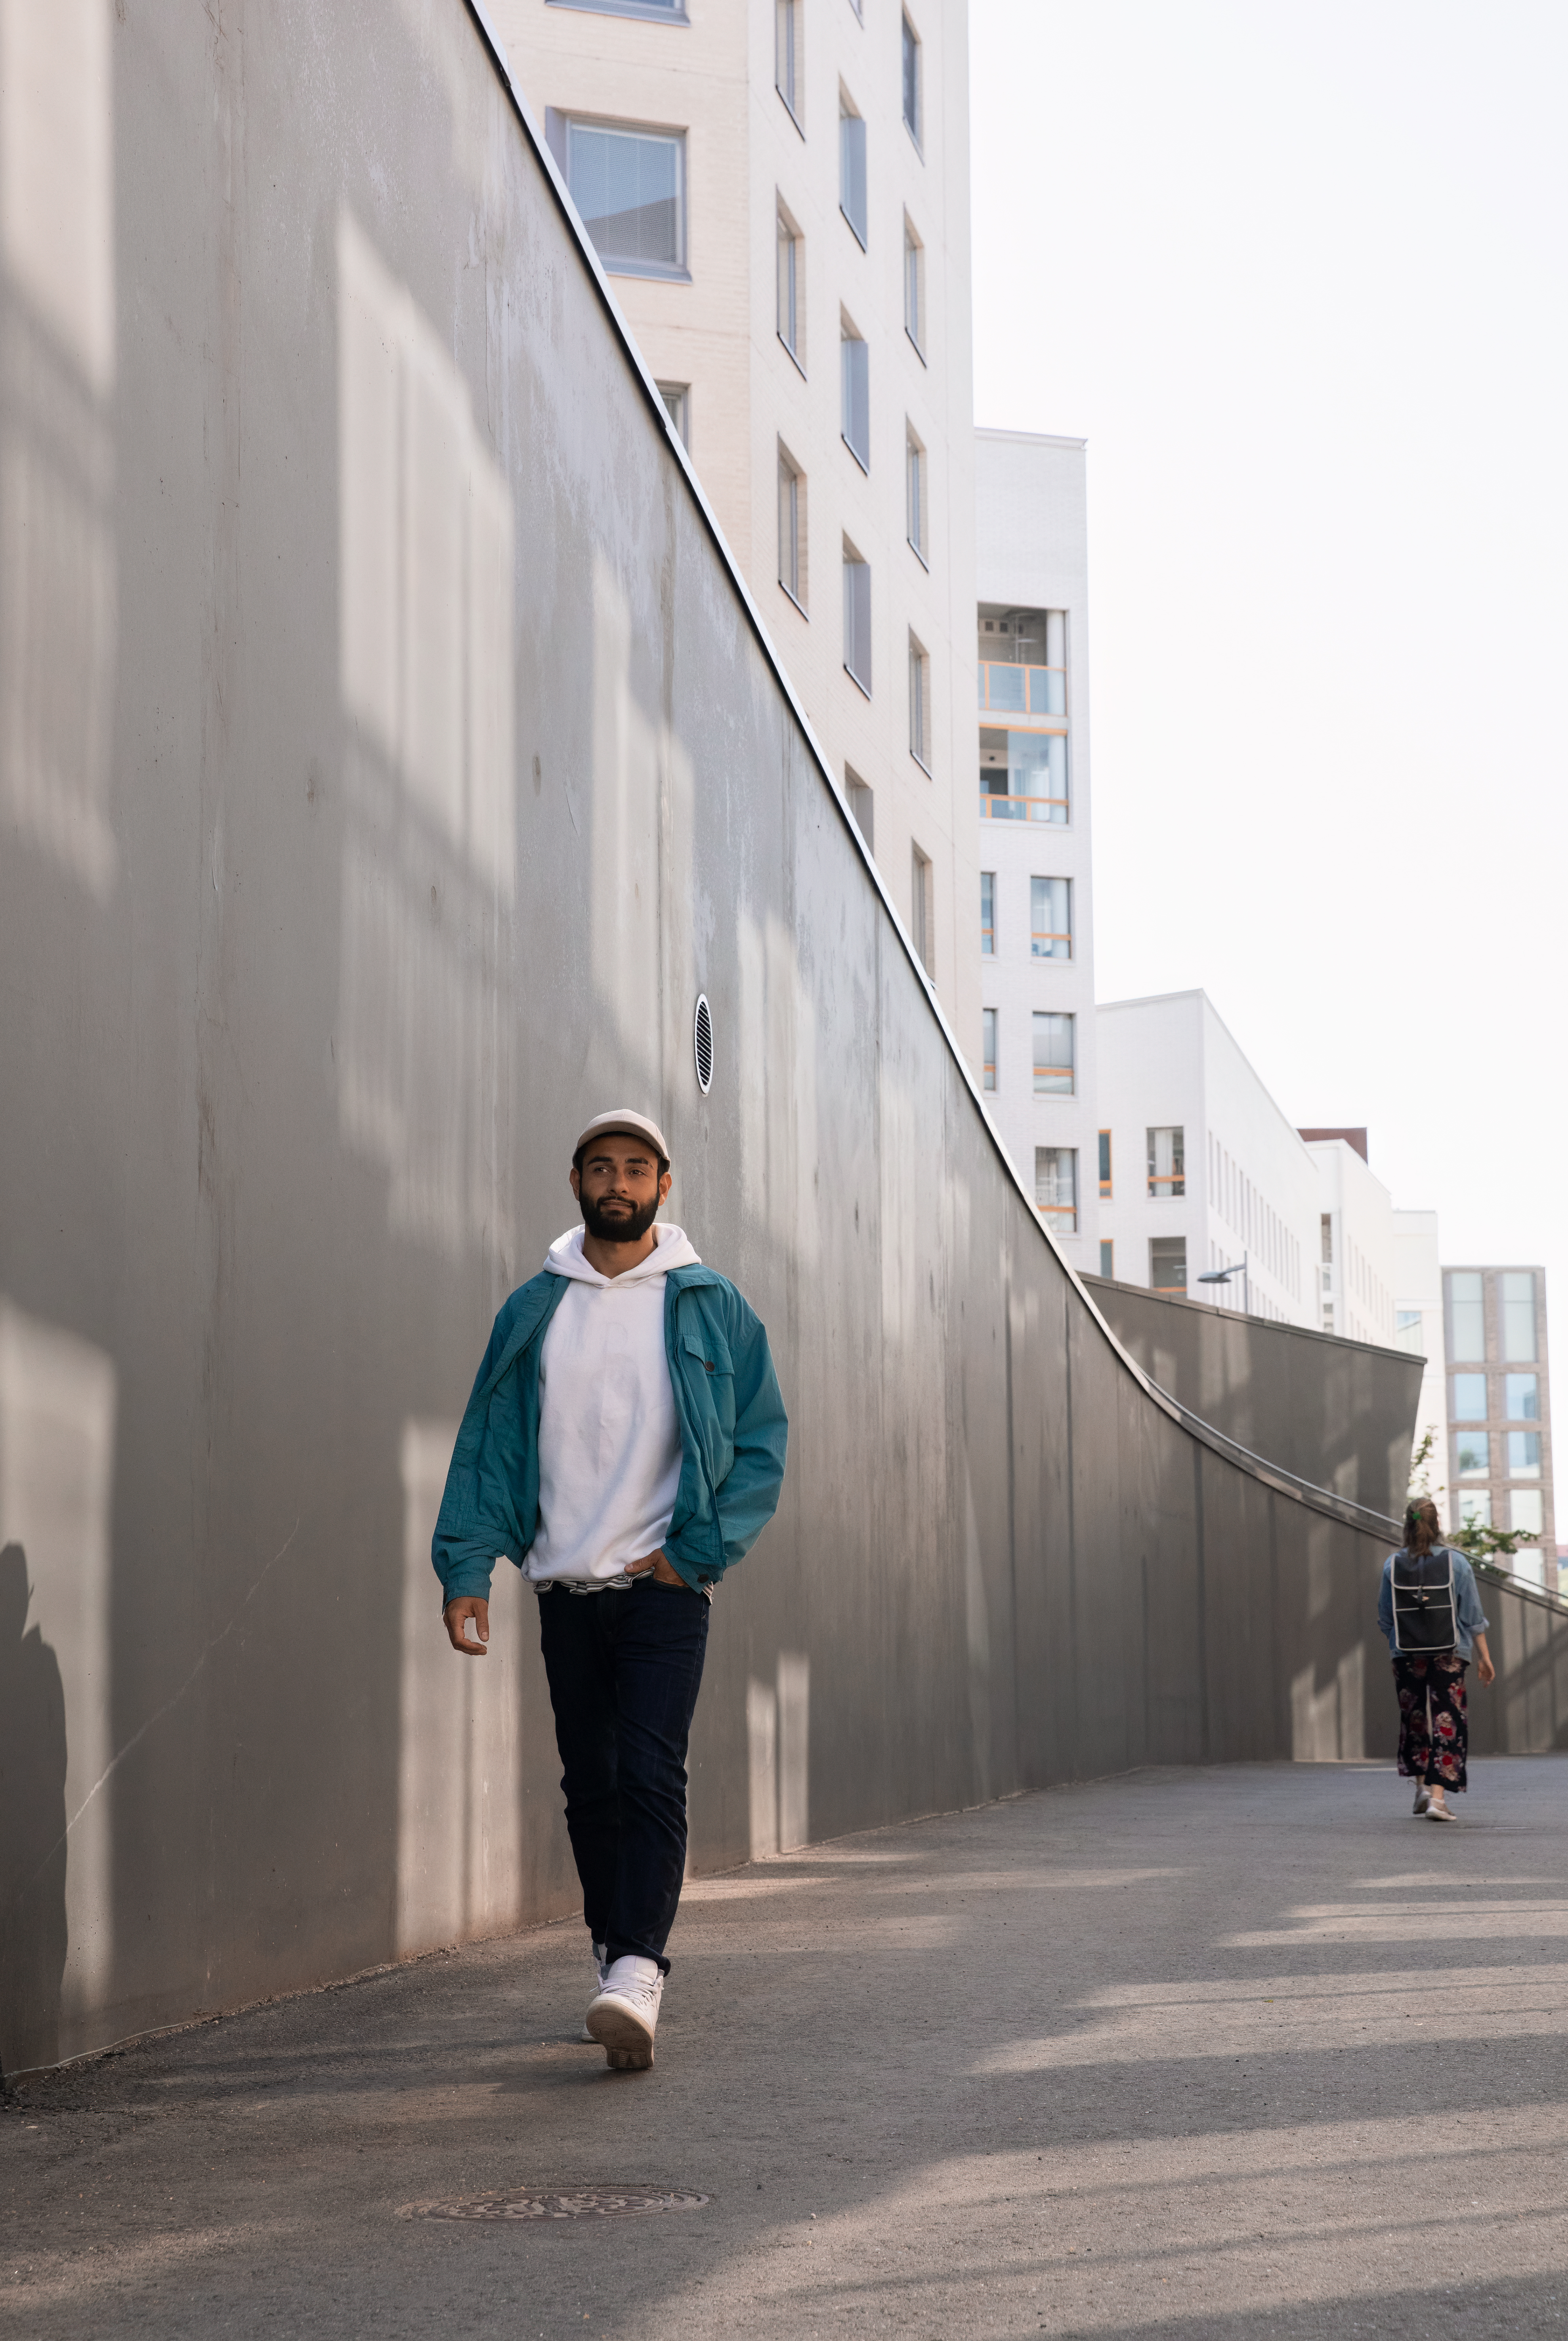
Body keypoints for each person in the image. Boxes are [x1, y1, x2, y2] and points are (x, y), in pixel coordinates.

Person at [431, 1111, 788, 2069]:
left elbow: (761, 1441)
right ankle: (612, 1940)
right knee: (589, 1783)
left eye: (636, 1167)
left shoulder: (711, 1305)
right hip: (565, 1582)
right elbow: (488, 1445)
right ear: (578, 1181)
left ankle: (636, 1965)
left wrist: (695, 1552)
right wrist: (468, 1567)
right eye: (602, 1167)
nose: (618, 1182)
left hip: (665, 1582)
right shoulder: (534, 1308)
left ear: (664, 1185)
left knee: (648, 1768)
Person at [1377, 1498, 1495, 1822]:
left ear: (1407, 1524)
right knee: (1448, 1720)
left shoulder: (1392, 1564)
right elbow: (1472, 1617)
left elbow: (1385, 1620)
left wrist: (1403, 1645)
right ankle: (1438, 1800)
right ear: (1437, 1524)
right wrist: (1484, 1658)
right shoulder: (1456, 1563)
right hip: (1450, 1653)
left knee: (1415, 1719)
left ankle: (1421, 1790)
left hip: (1406, 1654)